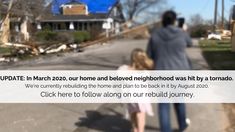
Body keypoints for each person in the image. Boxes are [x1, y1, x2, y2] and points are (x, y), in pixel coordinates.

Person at [146, 10, 192, 132]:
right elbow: (190, 43)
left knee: (164, 104)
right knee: (179, 100)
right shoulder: (181, 33)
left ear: (162, 20)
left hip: (162, 73)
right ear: (175, 20)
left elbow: (149, 54)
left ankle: (166, 130)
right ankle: (182, 125)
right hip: (180, 72)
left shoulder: (155, 35)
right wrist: (184, 31)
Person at [118, 48, 154, 132]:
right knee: (140, 115)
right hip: (141, 98)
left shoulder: (125, 70)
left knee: (133, 115)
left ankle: (135, 129)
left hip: (130, 98)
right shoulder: (145, 72)